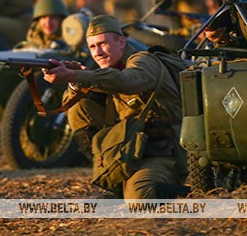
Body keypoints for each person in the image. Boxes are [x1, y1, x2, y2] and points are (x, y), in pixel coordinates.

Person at [42, 15, 188, 199]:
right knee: (80, 105)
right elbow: (70, 103)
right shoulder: (109, 67)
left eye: (103, 44)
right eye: (93, 47)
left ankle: (201, 194)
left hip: (165, 149)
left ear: (121, 42)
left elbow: (126, 81)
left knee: (141, 198)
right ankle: (113, 174)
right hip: (133, 147)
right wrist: (74, 82)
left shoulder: (144, 61)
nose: (98, 52)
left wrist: (74, 75)